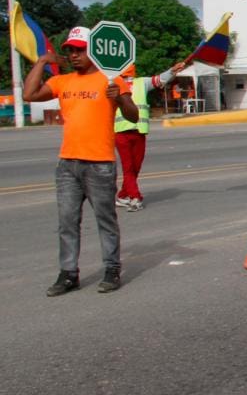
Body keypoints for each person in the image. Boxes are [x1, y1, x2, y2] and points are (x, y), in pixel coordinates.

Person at [23, 27, 139, 296]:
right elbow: (29, 95)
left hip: (99, 163)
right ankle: (68, 274)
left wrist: (119, 98)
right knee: (67, 222)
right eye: (71, 50)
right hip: (68, 164)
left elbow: (133, 117)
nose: (74, 55)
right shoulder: (63, 82)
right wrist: (42, 62)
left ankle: (111, 269)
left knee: (105, 220)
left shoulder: (111, 79)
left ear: (94, 50)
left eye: (80, 49)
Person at [115, 61, 187, 212]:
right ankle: (135, 197)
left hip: (139, 131)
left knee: (136, 167)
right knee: (128, 168)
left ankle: (122, 195)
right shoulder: (112, 83)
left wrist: (172, 70)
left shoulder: (141, 83)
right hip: (121, 132)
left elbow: (159, 79)